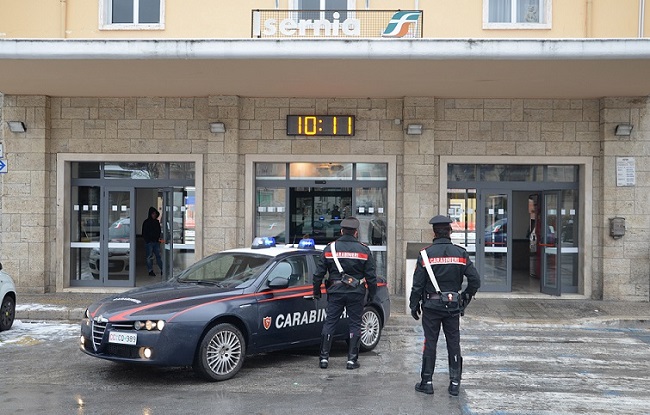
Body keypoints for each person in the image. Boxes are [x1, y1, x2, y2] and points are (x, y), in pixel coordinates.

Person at [409, 215, 480, 396]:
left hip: (431, 306)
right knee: (453, 343)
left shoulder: (425, 254)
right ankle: (455, 383)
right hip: (453, 306)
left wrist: (413, 304)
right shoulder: (461, 253)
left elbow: (417, 284)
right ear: (450, 232)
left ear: (434, 232)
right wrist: (465, 297)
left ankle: (427, 382)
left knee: (430, 342)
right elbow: (475, 280)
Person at [312, 216, 377, 370]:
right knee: (355, 324)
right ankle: (351, 360)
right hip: (356, 292)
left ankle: (323, 359)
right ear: (356, 232)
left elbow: (318, 274)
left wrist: (316, 292)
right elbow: (371, 277)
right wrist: (372, 295)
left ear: (341, 231)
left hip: (335, 291)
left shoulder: (330, 248)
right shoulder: (364, 249)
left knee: (330, 323)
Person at [142, 206, 163, 277]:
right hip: (149, 243)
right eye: (153, 214)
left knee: (158, 257)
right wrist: (147, 240)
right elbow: (144, 233)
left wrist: (157, 239)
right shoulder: (146, 222)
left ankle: (162, 269)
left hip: (156, 242)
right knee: (149, 257)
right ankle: (150, 270)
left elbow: (159, 231)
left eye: (155, 214)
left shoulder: (156, 222)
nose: (154, 215)